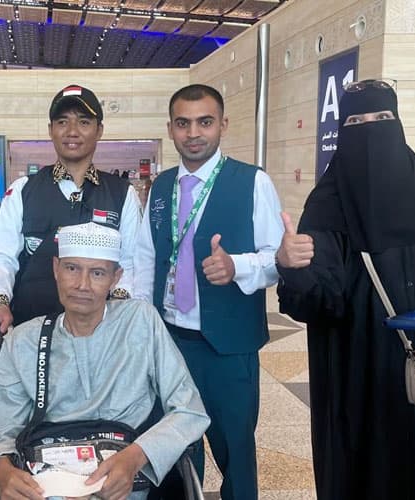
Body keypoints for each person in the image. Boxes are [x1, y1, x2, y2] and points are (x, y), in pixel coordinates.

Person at [276, 80, 415, 500]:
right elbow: (317, 301)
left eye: (382, 118)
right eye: (356, 122)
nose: (371, 130)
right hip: (354, 370)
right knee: (363, 471)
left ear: (398, 123)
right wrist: (291, 267)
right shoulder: (328, 205)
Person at [0, 222, 210, 500]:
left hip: (123, 482)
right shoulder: (23, 340)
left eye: (97, 273)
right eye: (72, 268)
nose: (82, 284)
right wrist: (2, 469)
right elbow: (4, 428)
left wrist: (136, 457)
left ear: (116, 278)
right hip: (44, 485)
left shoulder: (140, 322)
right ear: (55, 269)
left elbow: (190, 411)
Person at [133, 84, 283, 500]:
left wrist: (237, 266)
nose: (194, 133)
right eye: (183, 123)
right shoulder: (161, 186)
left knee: (235, 451)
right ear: (170, 129)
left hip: (229, 346)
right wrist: (144, 324)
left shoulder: (252, 182)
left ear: (223, 125)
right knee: (175, 450)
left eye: (205, 122)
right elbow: (146, 257)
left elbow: (276, 259)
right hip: (170, 343)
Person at [0, 84, 141, 336]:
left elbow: (130, 262)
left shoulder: (122, 193)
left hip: (100, 334)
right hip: (31, 330)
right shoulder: (23, 190)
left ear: (99, 130)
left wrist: (118, 308)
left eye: (84, 122)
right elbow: (3, 257)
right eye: (62, 122)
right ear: (51, 130)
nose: (72, 131)